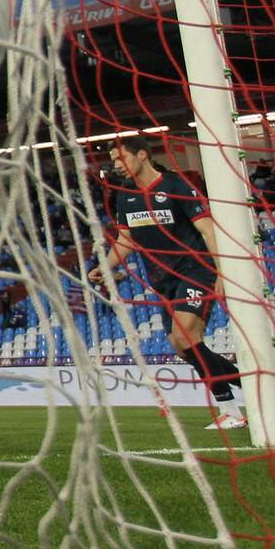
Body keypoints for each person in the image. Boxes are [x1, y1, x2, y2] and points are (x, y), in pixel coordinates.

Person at [89, 136, 244, 430]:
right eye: (113, 161)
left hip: (196, 270)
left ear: (143, 155)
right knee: (180, 345)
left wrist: (222, 272)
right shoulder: (126, 196)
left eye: (122, 158)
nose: (117, 165)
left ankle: (230, 410)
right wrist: (104, 267)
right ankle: (248, 383)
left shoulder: (176, 186)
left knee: (186, 337)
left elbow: (207, 230)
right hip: (163, 280)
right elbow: (126, 241)